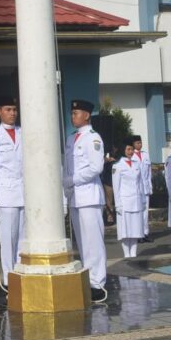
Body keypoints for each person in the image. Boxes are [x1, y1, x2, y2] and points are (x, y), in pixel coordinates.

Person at [62, 98, 107, 303]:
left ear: (87, 115)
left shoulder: (93, 138)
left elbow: (96, 167)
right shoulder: (71, 139)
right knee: (82, 243)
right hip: (75, 197)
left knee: (94, 242)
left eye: (77, 113)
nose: (73, 116)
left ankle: (98, 283)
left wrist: (72, 180)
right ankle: (89, 280)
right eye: (72, 113)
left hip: (89, 195)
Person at [0, 96, 24, 288]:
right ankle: (10, 279)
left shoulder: (22, 133)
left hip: (24, 191)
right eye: (8, 109)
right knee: (8, 238)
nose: (12, 113)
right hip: (6, 193)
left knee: (23, 238)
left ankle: (20, 273)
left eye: (14, 110)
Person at [112, 137, 146, 258]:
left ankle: (134, 253)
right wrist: (117, 204)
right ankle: (127, 254)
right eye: (128, 149)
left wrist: (142, 199)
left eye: (132, 149)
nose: (131, 152)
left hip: (136, 200)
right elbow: (116, 187)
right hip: (125, 202)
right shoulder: (117, 166)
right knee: (125, 230)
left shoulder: (137, 164)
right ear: (123, 150)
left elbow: (140, 183)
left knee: (136, 228)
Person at [131, 134, 153, 241]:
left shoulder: (145, 155)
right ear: (133, 144)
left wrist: (150, 186)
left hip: (145, 187)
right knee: (138, 211)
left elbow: (149, 172)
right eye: (137, 143)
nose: (139, 144)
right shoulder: (131, 156)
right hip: (136, 188)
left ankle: (145, 233)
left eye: (140, 142)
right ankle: (138, 234)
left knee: (145, 212)